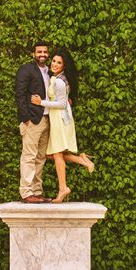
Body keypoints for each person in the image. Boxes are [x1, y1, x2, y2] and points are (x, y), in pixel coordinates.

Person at [30, 49, 95, 203]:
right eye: (54, 61)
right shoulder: (58, 78)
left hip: (59, 119)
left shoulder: (59, 81)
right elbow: (64, 101)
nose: (55, 64)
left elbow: (60, 104)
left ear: (64, 66)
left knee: (57, 154)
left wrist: (41, 103)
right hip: (58, 119)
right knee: (49, 154)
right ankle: (81, 160)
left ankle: (63, 189)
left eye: (59, 63)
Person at [15, 41, 52, 203]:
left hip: (47, 119)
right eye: (39, 52)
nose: (42, 54)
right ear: (33, 54)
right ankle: (26, 192)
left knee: (41, 157)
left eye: (45, 52)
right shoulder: (26, 69)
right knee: (29, 156)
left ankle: (37, 191)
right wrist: (26, 118)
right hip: (33, 120)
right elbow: (20, 94)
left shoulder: (51, 72)